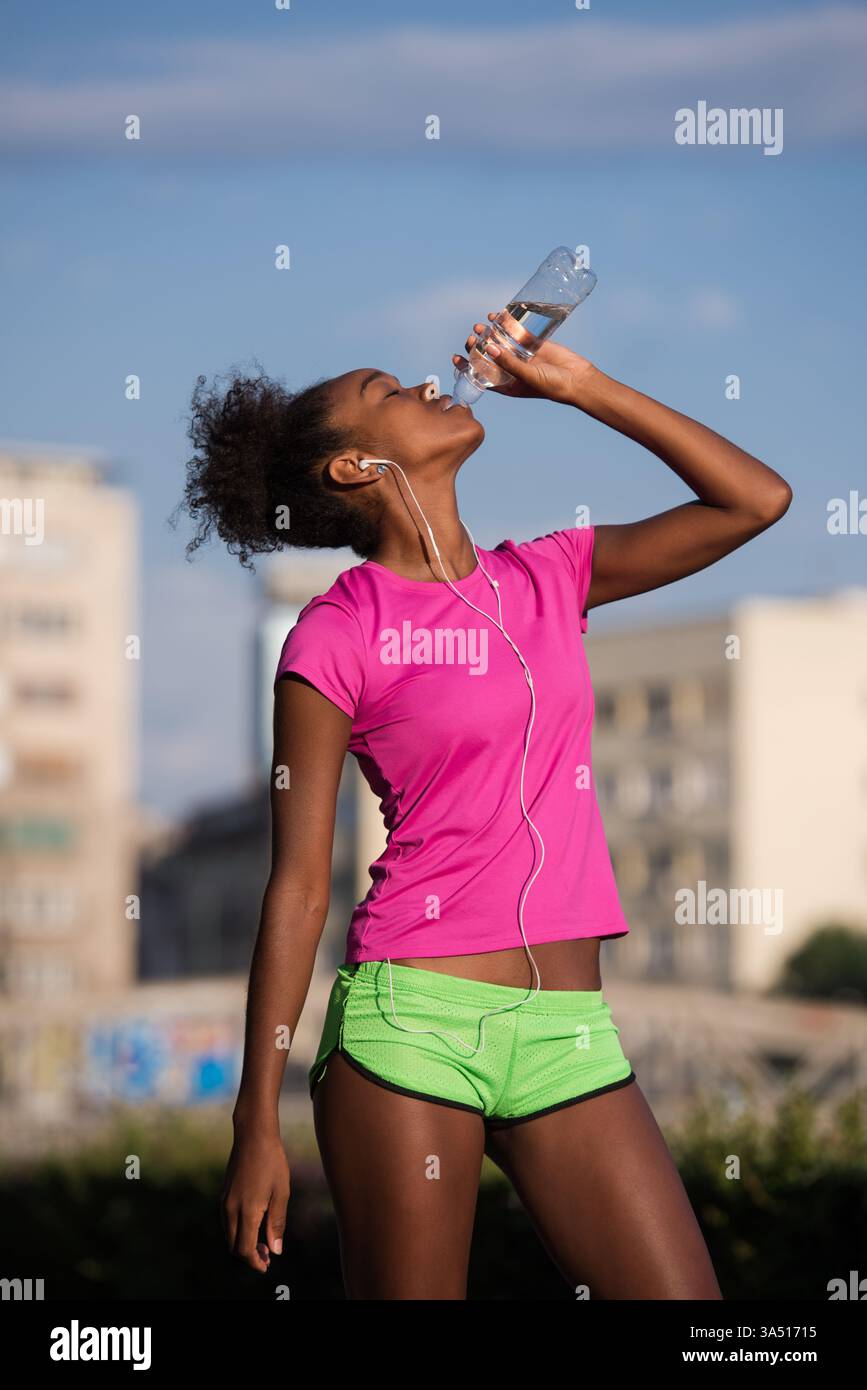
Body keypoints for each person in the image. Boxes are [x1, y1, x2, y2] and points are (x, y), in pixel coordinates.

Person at [181, 316, 792, 1299]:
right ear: (352, 467)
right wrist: (257, 1121)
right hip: (410, 1027)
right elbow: (295, 890)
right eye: (386, 389)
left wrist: (584, 387)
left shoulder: (549, 576)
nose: (424, 382)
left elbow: (755, 498)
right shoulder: (336, 634)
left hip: (569, 1033)